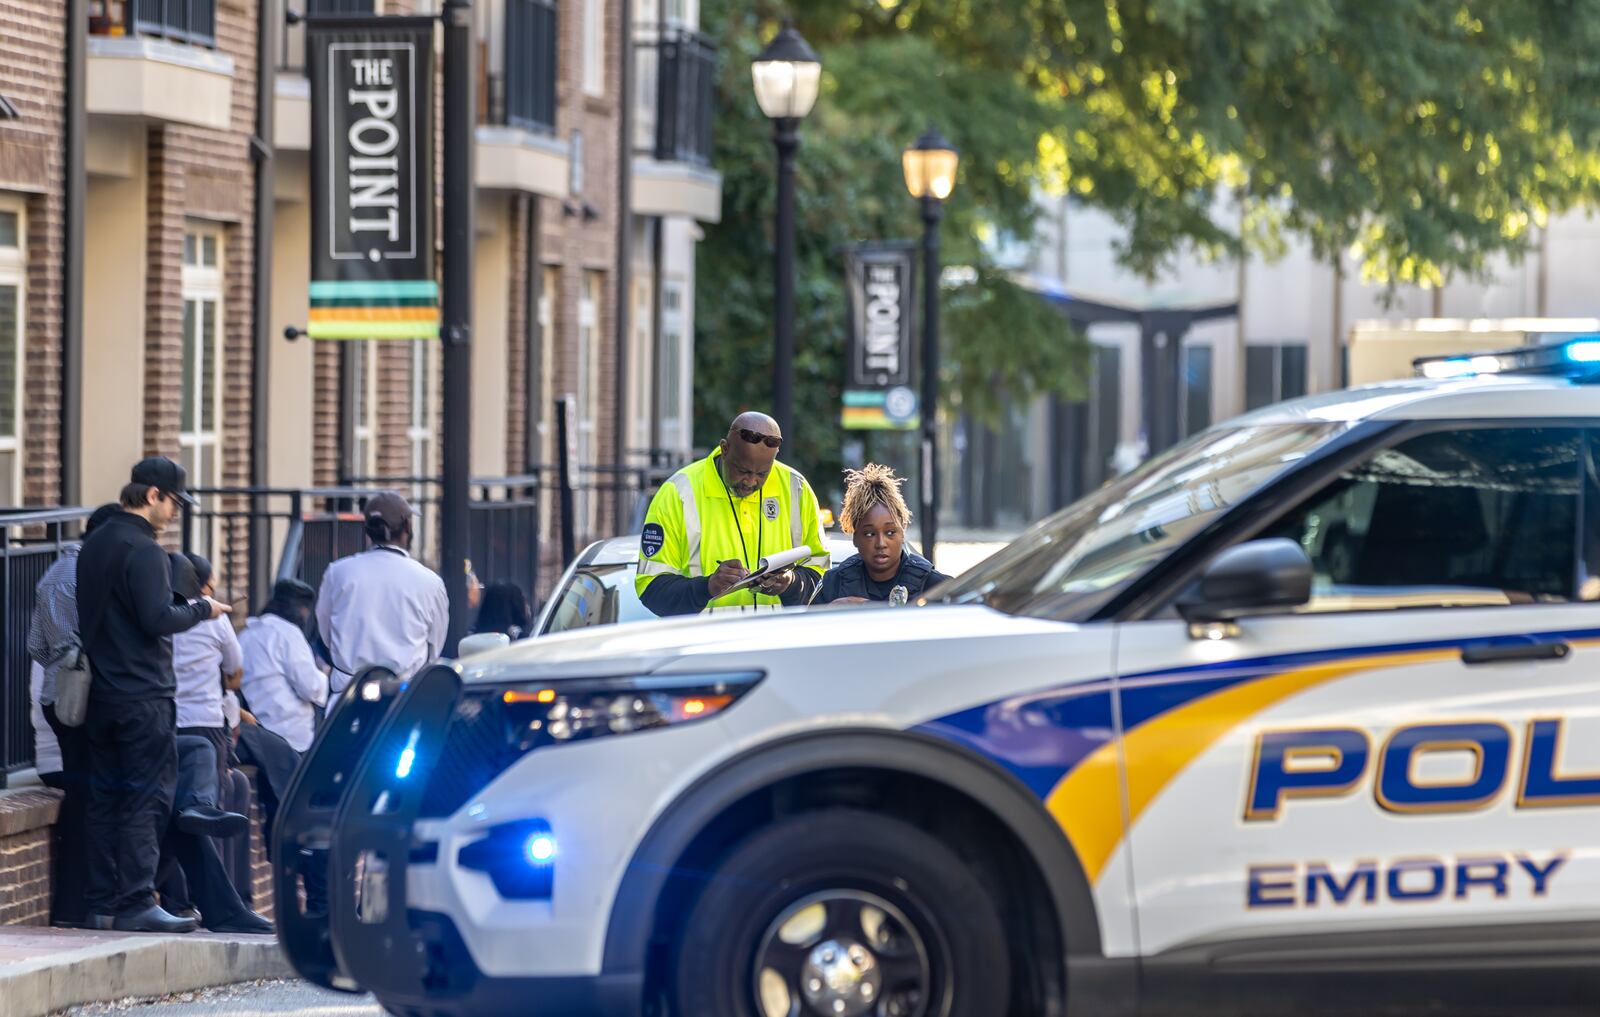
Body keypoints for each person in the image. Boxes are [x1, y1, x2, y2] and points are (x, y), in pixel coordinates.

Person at [76, 457, 231, 934]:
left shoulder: (95, 544)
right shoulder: (143, 549)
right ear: (152, 496)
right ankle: (138, 901)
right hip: (143, 695)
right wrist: (202, 608)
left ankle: (102, 903)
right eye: (174, 503)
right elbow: (157, 619)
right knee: (147, 797)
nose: (176, 513)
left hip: (100, 694)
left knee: (104, 800)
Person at [635, 412, 830, 616]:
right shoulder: (679, 492)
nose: (751, 481)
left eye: (762, 474)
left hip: (776, 645)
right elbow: (651, 589)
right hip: (704, 646)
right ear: (724, 449)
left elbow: (823, 580)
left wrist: (790, 583)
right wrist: (708, 587)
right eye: (743, 471)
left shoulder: (796, 488)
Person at [25, 502, 119, 926]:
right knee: (92, 801)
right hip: (87, 696)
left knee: (84, 798)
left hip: (59, 696)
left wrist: (62, 667)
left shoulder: (53, 573)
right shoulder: (89, 574)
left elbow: (36, 647)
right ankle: (83, 903)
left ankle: (75, 904)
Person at [316, 491, 448, 698]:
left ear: (367, 530)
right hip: (403, 696)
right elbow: (435, 644)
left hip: (347, 694)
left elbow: (326, 632)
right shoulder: (430, 582)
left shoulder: (338, 572)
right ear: (407, 527)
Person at [171, 552, 245, 817]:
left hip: (163, 722)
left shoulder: (157, 614)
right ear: (202, 585)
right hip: (205, 721)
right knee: (206, 805)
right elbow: (234, 664)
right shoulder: (215, 618)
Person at [819, 464, 951, 605]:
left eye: (890, 532)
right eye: (870, 534)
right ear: (855, 537)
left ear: (903, 531)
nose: (881, 543)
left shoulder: (934, 586)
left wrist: (864, 607)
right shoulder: (833, 584)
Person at [239, 579, 327, 753]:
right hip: (290, 736)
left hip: (254, 732)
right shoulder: (288, 633)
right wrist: (324, 675)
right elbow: (310, 688)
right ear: (302, 610)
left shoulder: (246, 634)